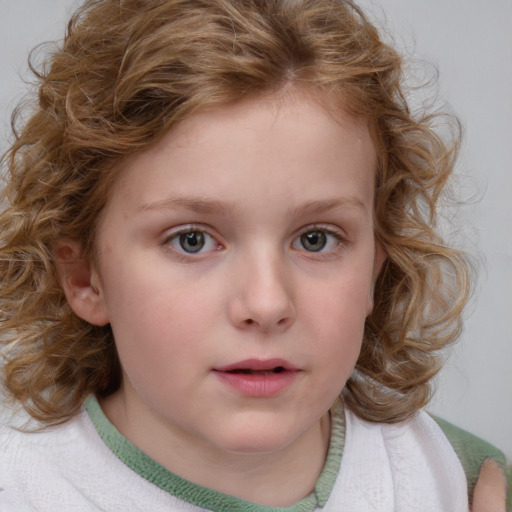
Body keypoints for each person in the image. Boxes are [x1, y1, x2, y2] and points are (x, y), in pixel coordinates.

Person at [0, 0, 509, 510]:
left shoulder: (449, 479)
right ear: (86, 277)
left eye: (316, 239)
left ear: (374, 270)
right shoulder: (21, 487)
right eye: (191, 240)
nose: (266, 304)